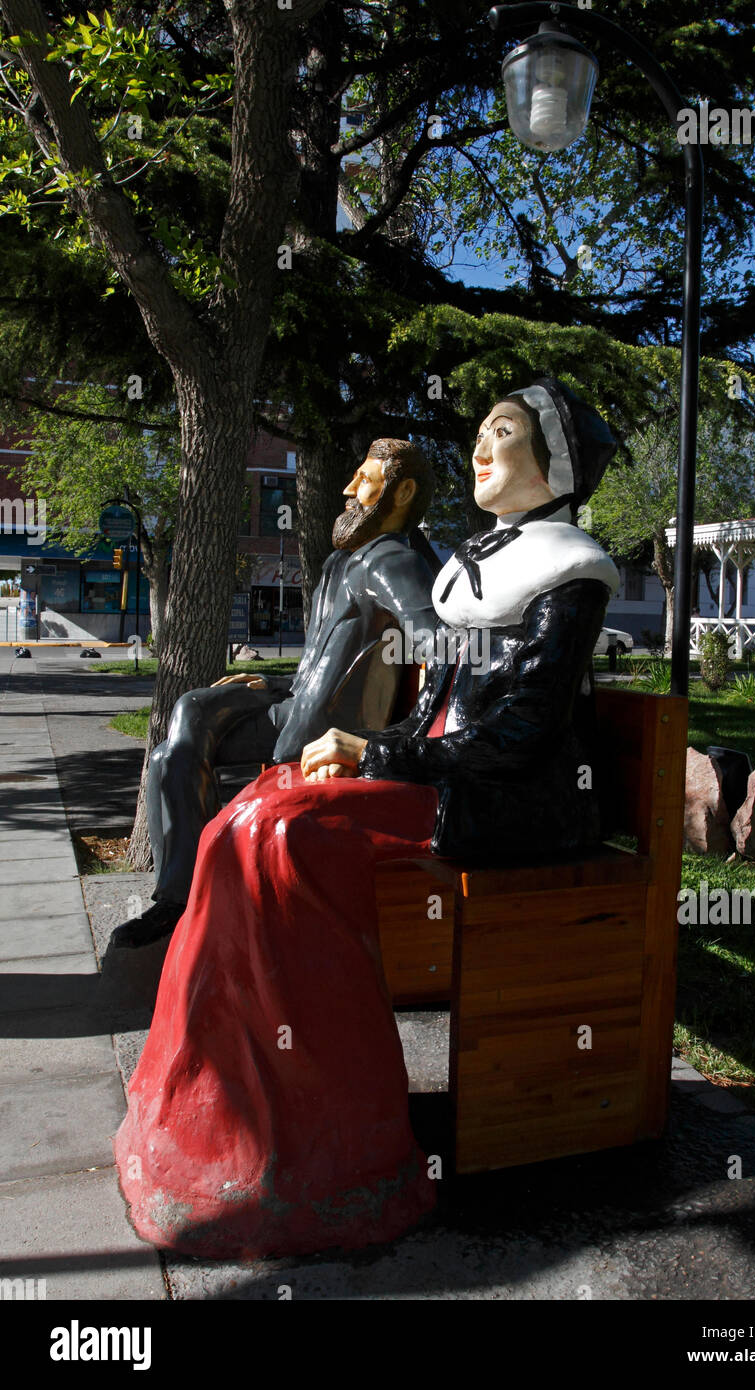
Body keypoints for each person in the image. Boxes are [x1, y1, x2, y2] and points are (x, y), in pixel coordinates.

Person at [114, 378, 621, 1259]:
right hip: (449, 777)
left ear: (555, 459)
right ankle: (210, 1109)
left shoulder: (568, 573)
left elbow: (522, 732)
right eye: (479, 432)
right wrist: (380, 747)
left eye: (504, 431)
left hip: (513, 802)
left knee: (285, 839)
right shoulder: (476, 565)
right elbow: (441, 709)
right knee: (249, 814)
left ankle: (334, 1149)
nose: (481, 446)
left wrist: (378, 754)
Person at [106, 439, 439, 956]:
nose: (349, 490)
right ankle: (178, 896)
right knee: (189, 714)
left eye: (364, 480)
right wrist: (270, 683)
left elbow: (437, 644)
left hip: (322, 729)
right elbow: (324, 665)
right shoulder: (341, 564)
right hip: (294, 702)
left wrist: (394, 740)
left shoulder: (393, 561)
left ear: (403, 492)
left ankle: (180, 900)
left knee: (182, 739)